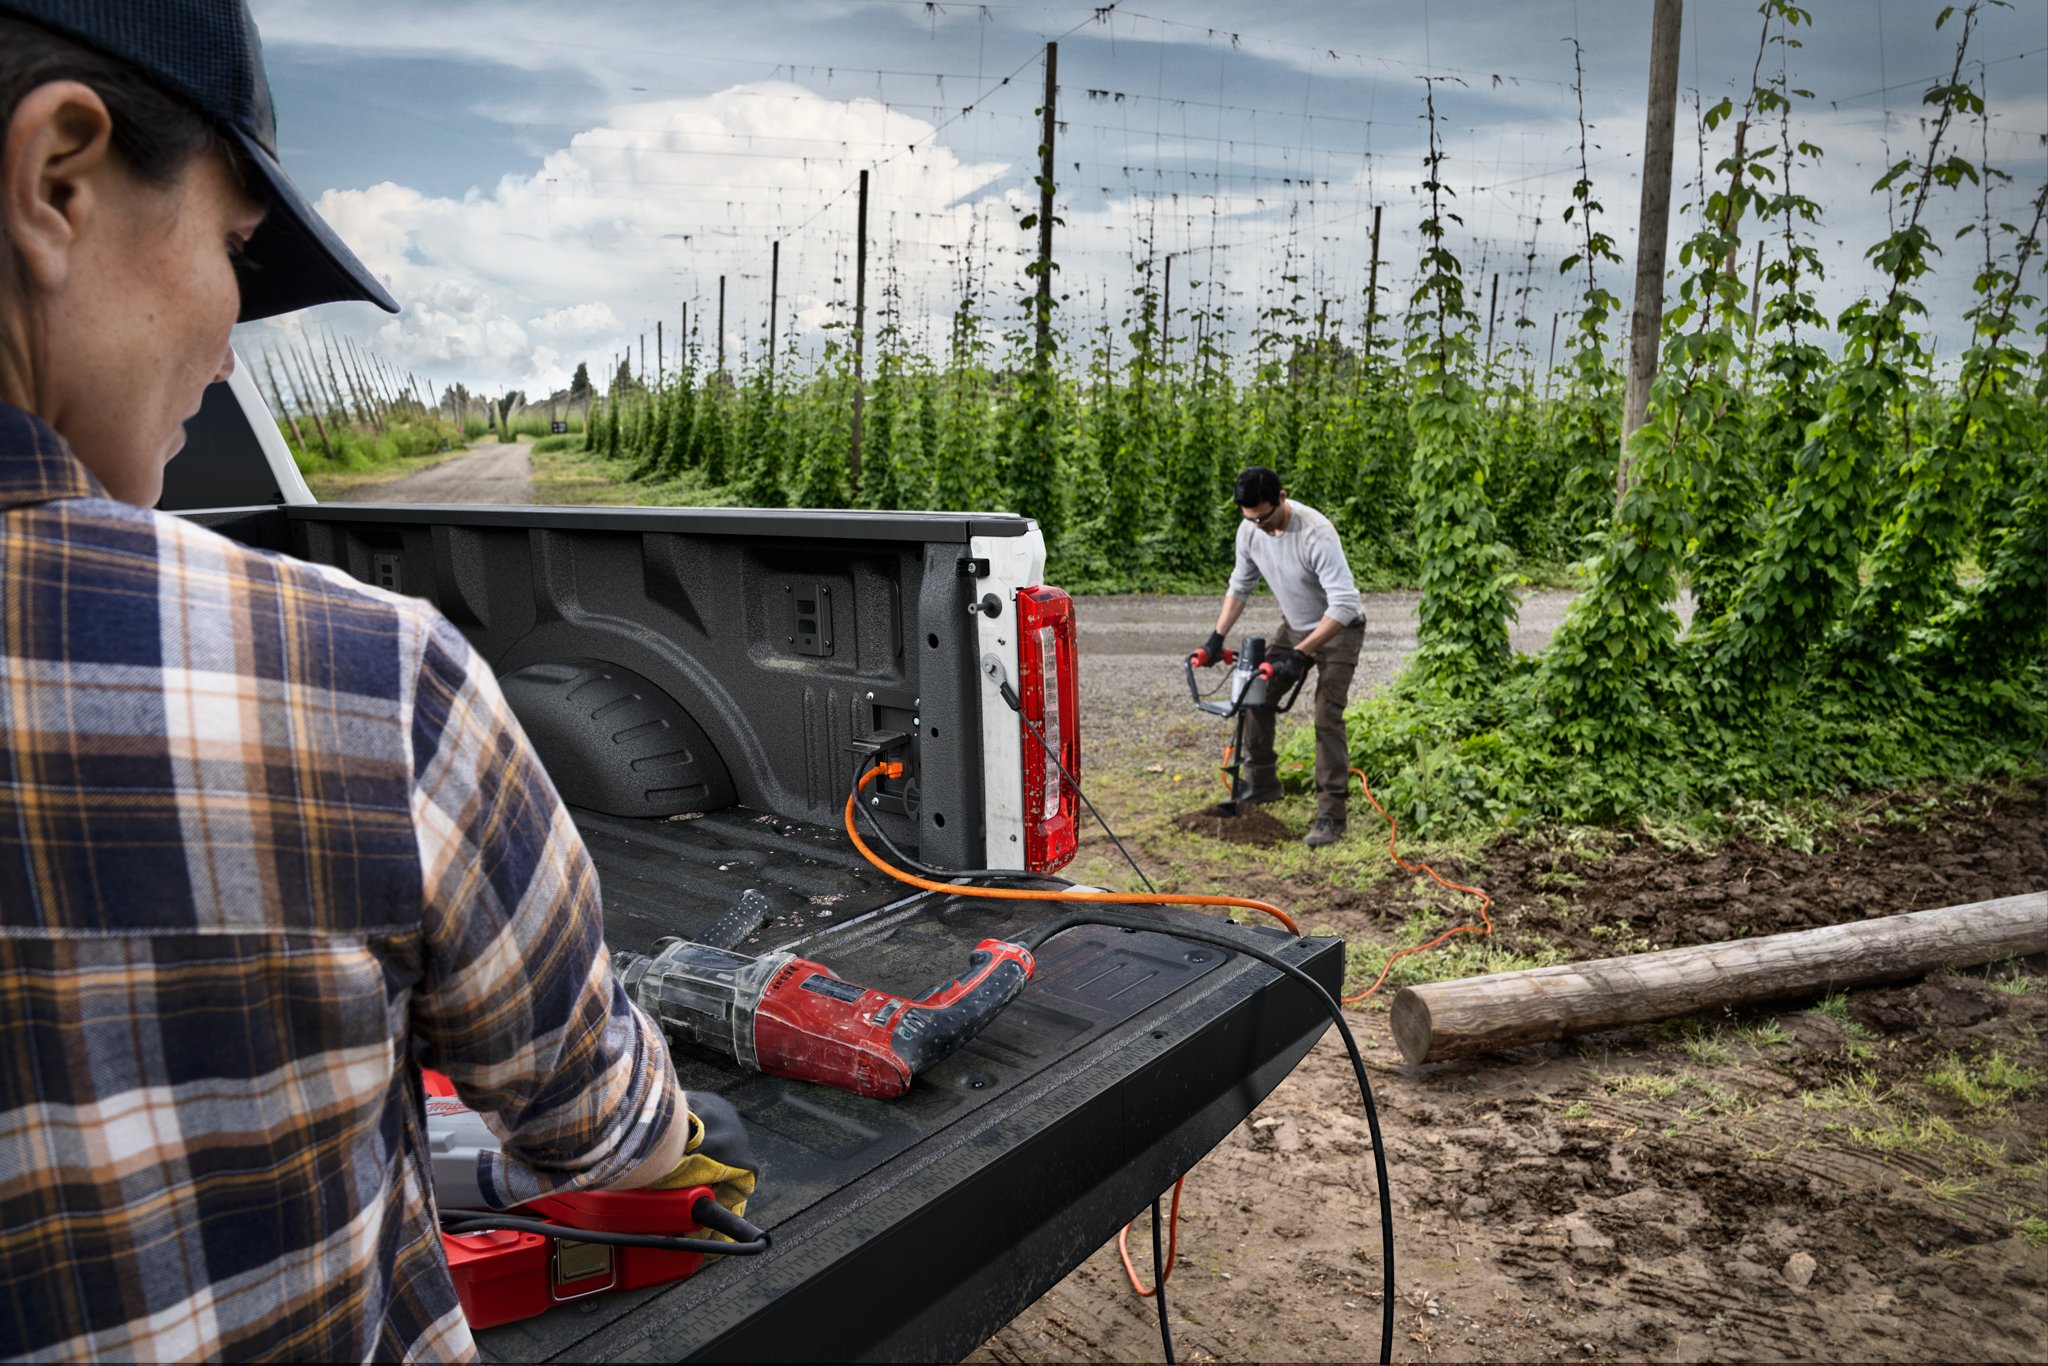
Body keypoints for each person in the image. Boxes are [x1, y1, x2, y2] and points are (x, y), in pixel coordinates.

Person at [0, 3, 748, 1359]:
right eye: (236, 248)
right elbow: (602, 1127)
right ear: (57, 178)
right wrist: (671, 1124)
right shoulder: (358, 678)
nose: (230, 347)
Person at [1192, 466, 1365, 848]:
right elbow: (1240, 586)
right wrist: (1216, 638)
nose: (1261, 527)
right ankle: (1263, 785)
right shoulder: (1250, 530)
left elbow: (1345, 605)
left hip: (1339, 629)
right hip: (1296, 626)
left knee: (1327, 715)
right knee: (1255, 694)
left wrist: (1301, 654)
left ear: (1282, 498)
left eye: (1266, 518)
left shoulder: (1316, 532)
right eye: (1252, 519)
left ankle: (1331, 815)